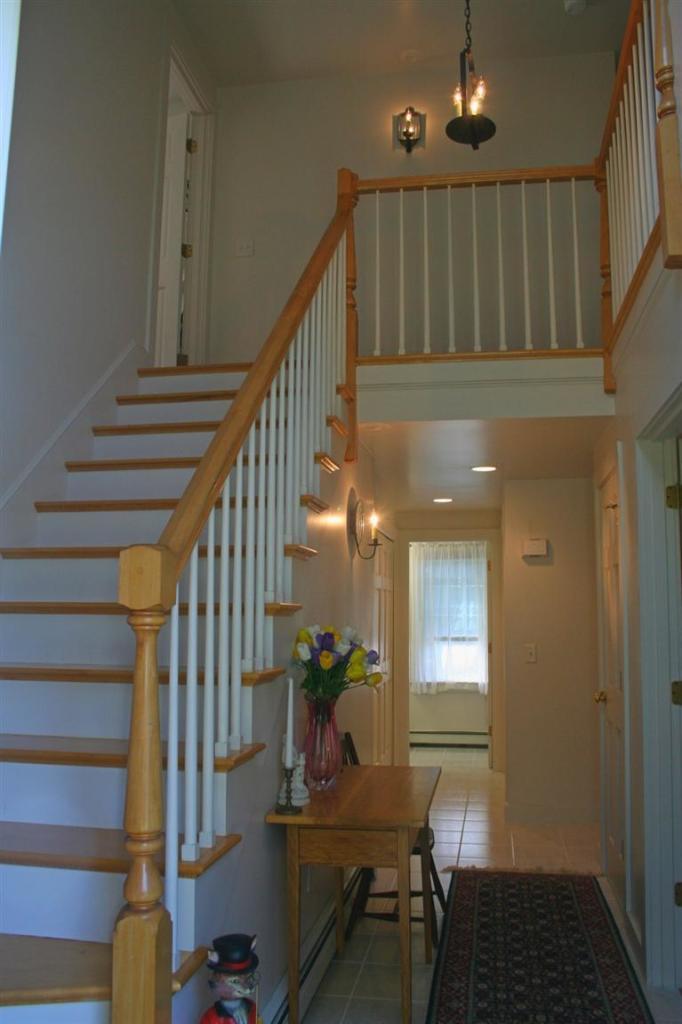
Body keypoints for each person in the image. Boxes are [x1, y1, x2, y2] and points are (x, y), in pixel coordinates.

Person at [199, 933, 259, 1024]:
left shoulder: (251, 1008)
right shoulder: (211, 1018)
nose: (244, 984)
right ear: (218, 980)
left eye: (247, 978)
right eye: (235, 981)